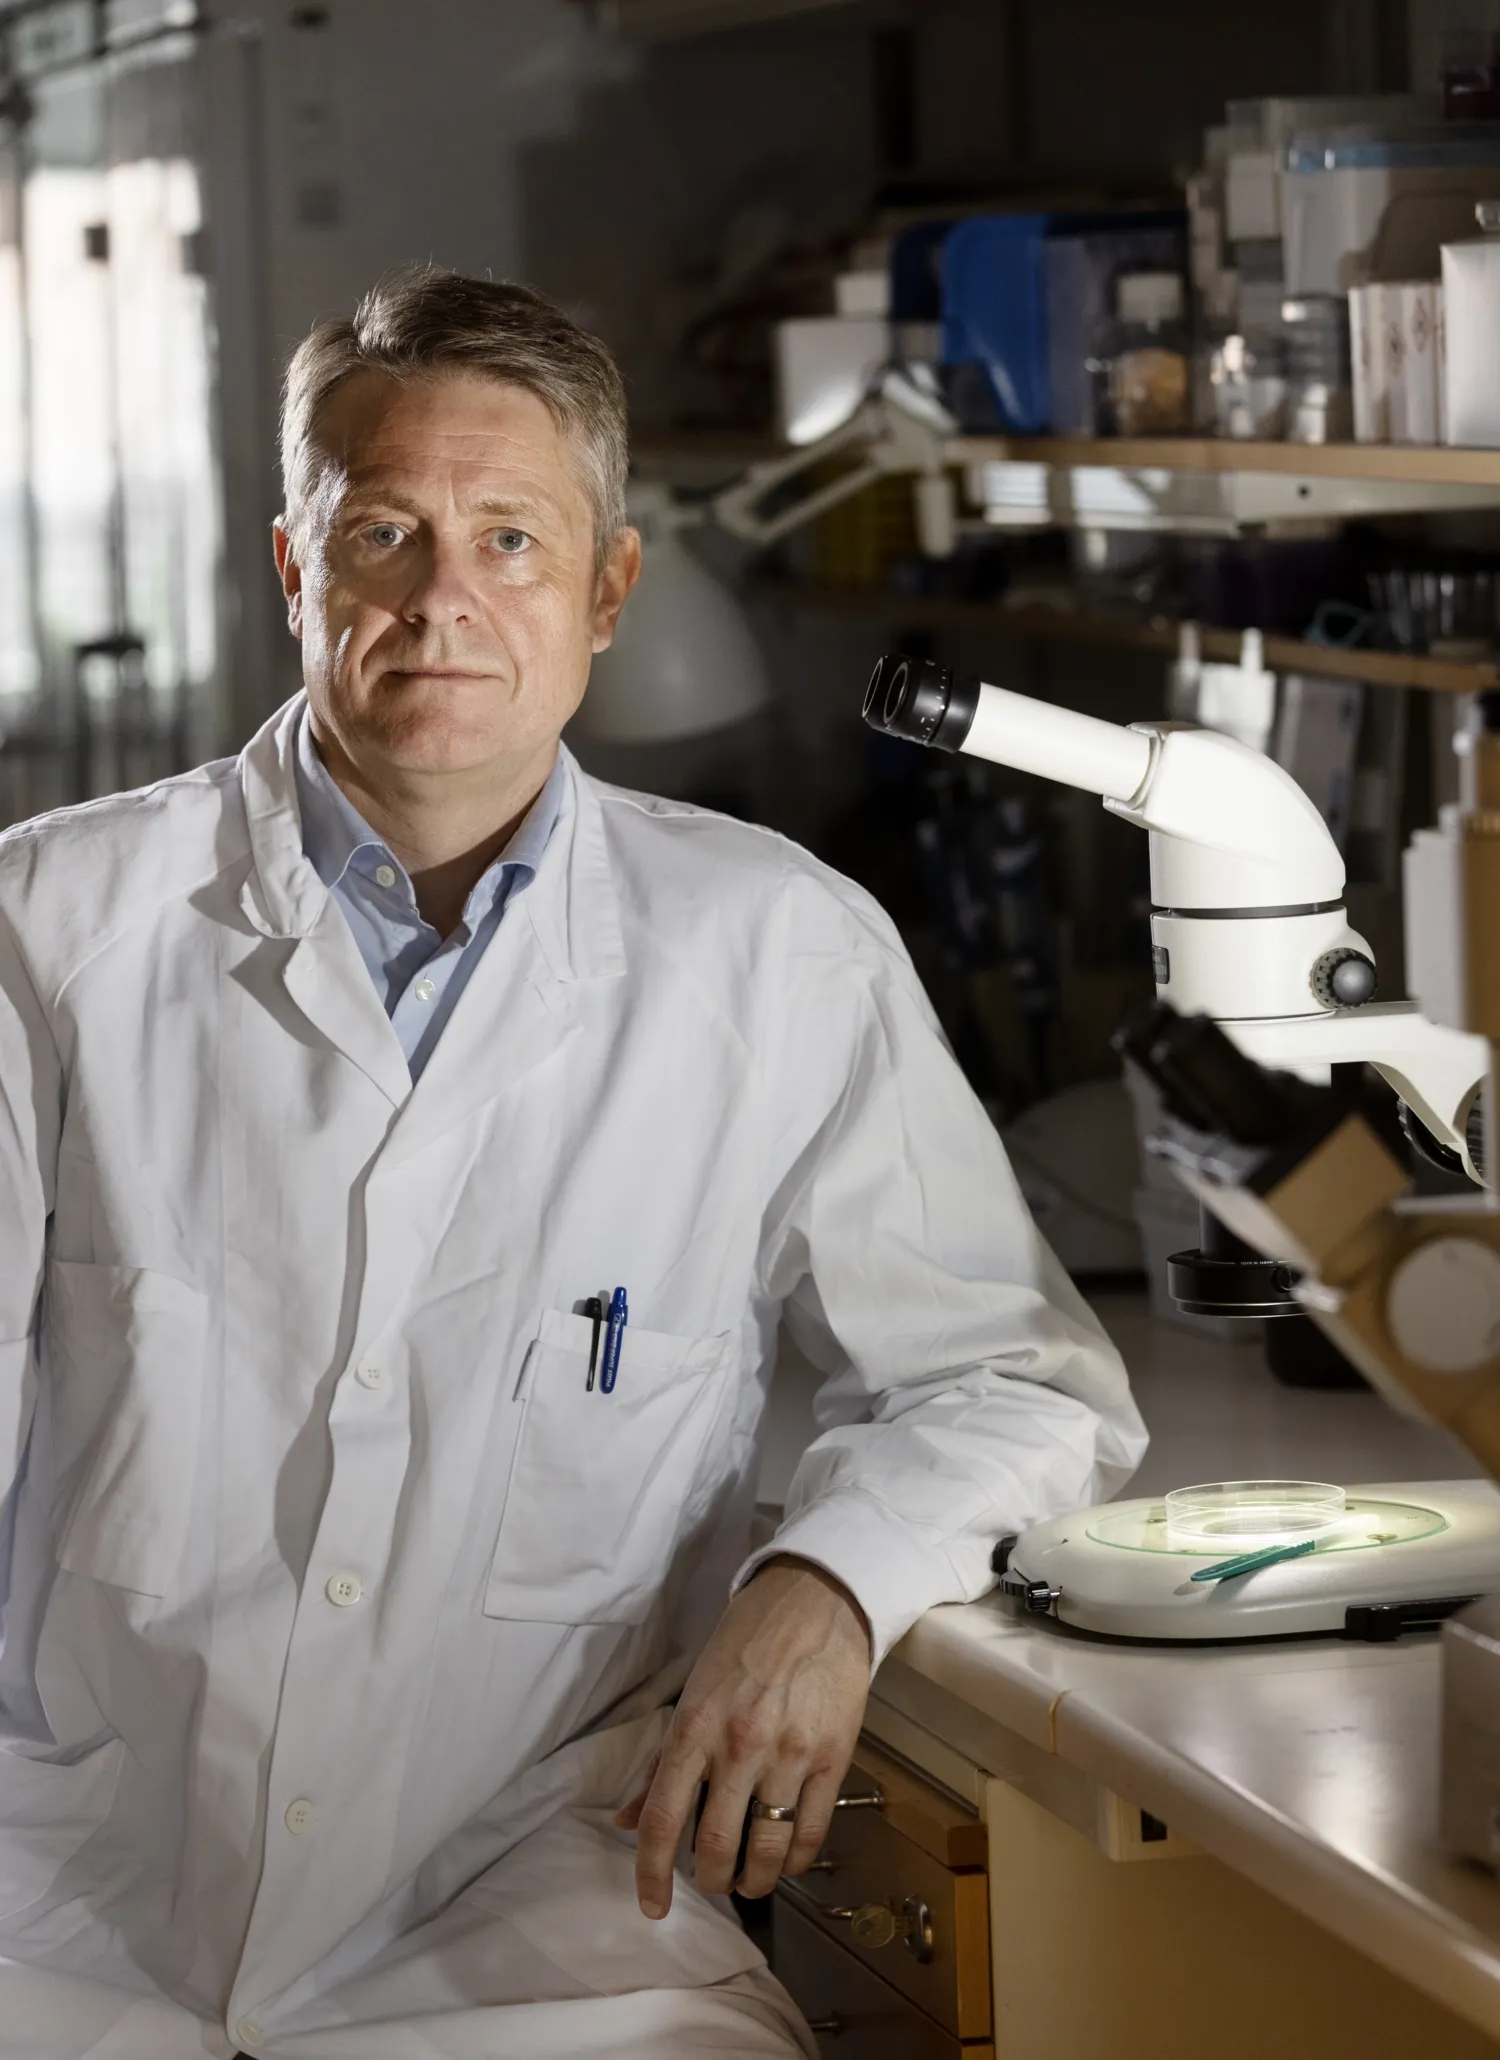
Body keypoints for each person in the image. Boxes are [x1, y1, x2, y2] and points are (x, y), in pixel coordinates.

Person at [0, 268, 1146, 2059]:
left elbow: (1010, 1380)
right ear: (299, 571)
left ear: (608, 589)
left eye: (513, 541)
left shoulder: (775, 949)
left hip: (545, 1936)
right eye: (385, 532)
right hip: (68, 1917)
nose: (446, 599)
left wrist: (831, 1576)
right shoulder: (52, 925)